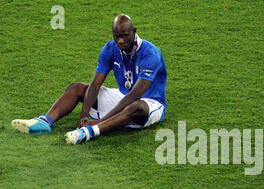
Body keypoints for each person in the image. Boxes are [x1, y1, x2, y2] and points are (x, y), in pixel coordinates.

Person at [11, 14, 167, 145]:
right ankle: (45, 121)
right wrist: (83, 116)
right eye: (116, 36)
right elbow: (95, 85)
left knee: (136, 106)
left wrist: (101, 121)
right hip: (122, 96)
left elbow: (136, 94)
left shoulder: (150, 53)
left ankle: (91, 132)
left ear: (134, 31)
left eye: (125, 36)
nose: (120, 41)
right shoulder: (110, 48)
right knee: (76, 87)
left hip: (149, 103)